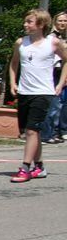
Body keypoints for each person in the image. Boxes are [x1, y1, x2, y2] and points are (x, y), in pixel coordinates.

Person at [8, 10, 67, 183]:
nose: (25, 25)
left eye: (30, 22)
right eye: (25, 21)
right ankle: (39, 166)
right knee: (30, 131)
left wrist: (61, 82)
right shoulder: (21, 43)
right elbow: (13, 63)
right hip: (25, 91)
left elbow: (66, 60)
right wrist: (13, 82)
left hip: (43, 92)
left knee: (32, 130)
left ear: (41, 25)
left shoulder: (53, 42)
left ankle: (25, 168)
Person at [40, 11, 67, 144]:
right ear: (55, 22)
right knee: (53, 104)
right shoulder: (52, 37)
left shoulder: (63, 37)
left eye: (65, 21)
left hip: (61, 71)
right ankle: (47, 133)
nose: (62, 23)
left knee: (59, 105)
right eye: (60, 21)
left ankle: (55, 131)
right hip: (53, 71)